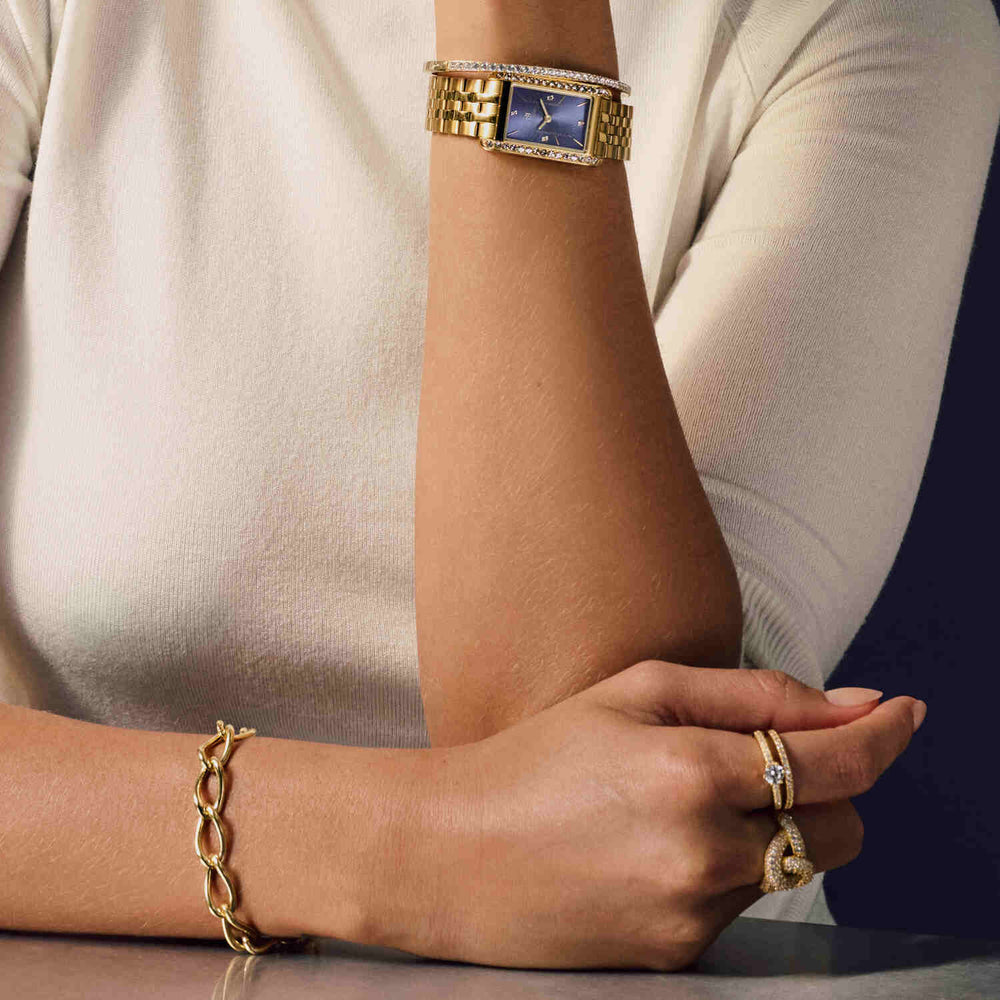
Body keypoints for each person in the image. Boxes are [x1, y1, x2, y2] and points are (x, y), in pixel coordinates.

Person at [0, 0, 996, 970]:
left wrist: (524, 24)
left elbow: (612, 814)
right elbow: (565, 826)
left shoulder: (875, 23)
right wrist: (421, 845)